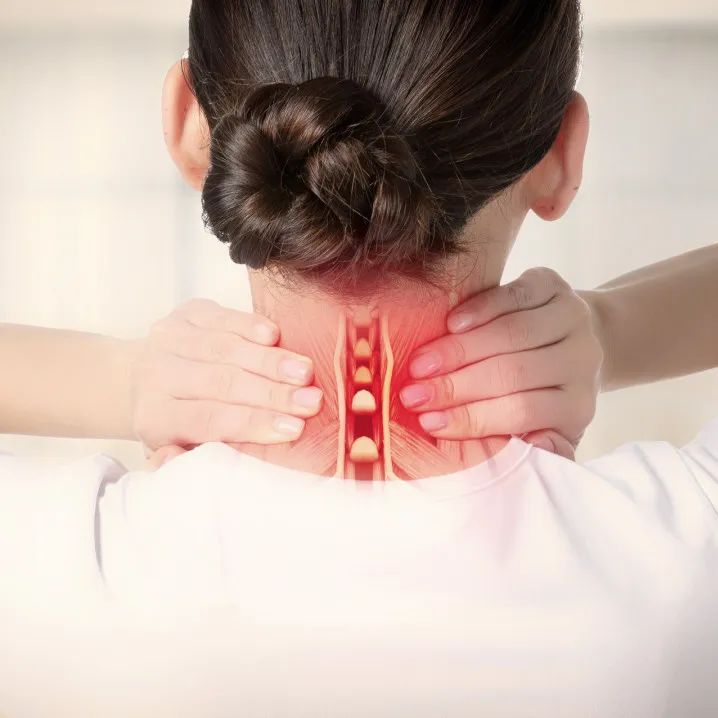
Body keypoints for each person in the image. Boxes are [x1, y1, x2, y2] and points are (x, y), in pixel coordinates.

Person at [2, 1, 718, 716]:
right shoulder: (678, 567)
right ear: (564, 153)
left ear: (189, 126)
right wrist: (610, 331)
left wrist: (126, 383)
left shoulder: (53, 580)